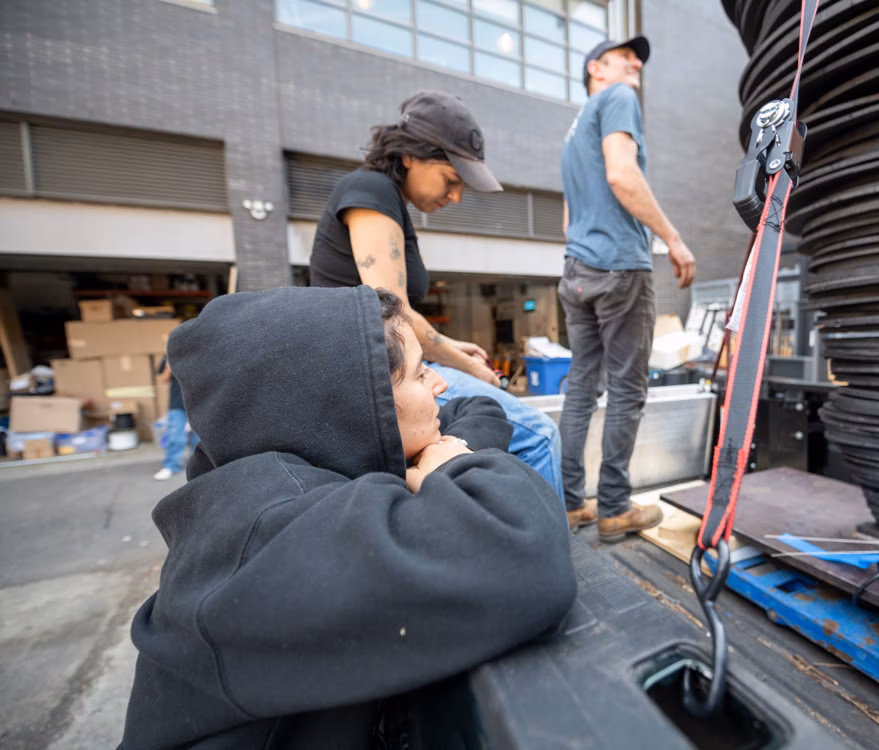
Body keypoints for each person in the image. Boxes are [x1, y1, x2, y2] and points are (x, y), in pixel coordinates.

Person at [120, 285, 576, 749]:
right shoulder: (268, 534)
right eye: (421, 374)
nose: (440, 385)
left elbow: (475, 408)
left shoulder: (274, 456)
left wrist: (437, 451)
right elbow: (523, 554)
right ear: (352, 402)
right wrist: (455, 465)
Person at [309, 91, 564, 499]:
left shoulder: (384, 197)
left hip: (389, 368)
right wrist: (468, 365)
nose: (456, 197)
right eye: (451, 179)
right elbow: (391, 309)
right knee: (540, 436)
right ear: (410, 155)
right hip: (379, 375)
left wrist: (452, 348)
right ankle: (553, 546)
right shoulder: (371, 190)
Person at [560, 35, 697, 542]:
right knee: (626, 390)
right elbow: (622, 175)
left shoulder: (572, 131)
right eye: (624, 56)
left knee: (580, 388)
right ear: (597, 68)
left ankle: (571, 504)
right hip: (619, 267)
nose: (636, 62)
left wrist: (577, 263)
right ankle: (614, 508)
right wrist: (673, 239)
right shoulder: (617, 99)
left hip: (578, 272)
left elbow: (569, 215)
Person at [152, 355, 198, 481]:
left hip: (198, 403)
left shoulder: (200, 350)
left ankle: (198, 467)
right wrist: (169, 368)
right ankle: (170, 466)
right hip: (177, 404)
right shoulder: (169, 355)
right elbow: (163, 379)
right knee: (175, 436)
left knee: (198, 439)